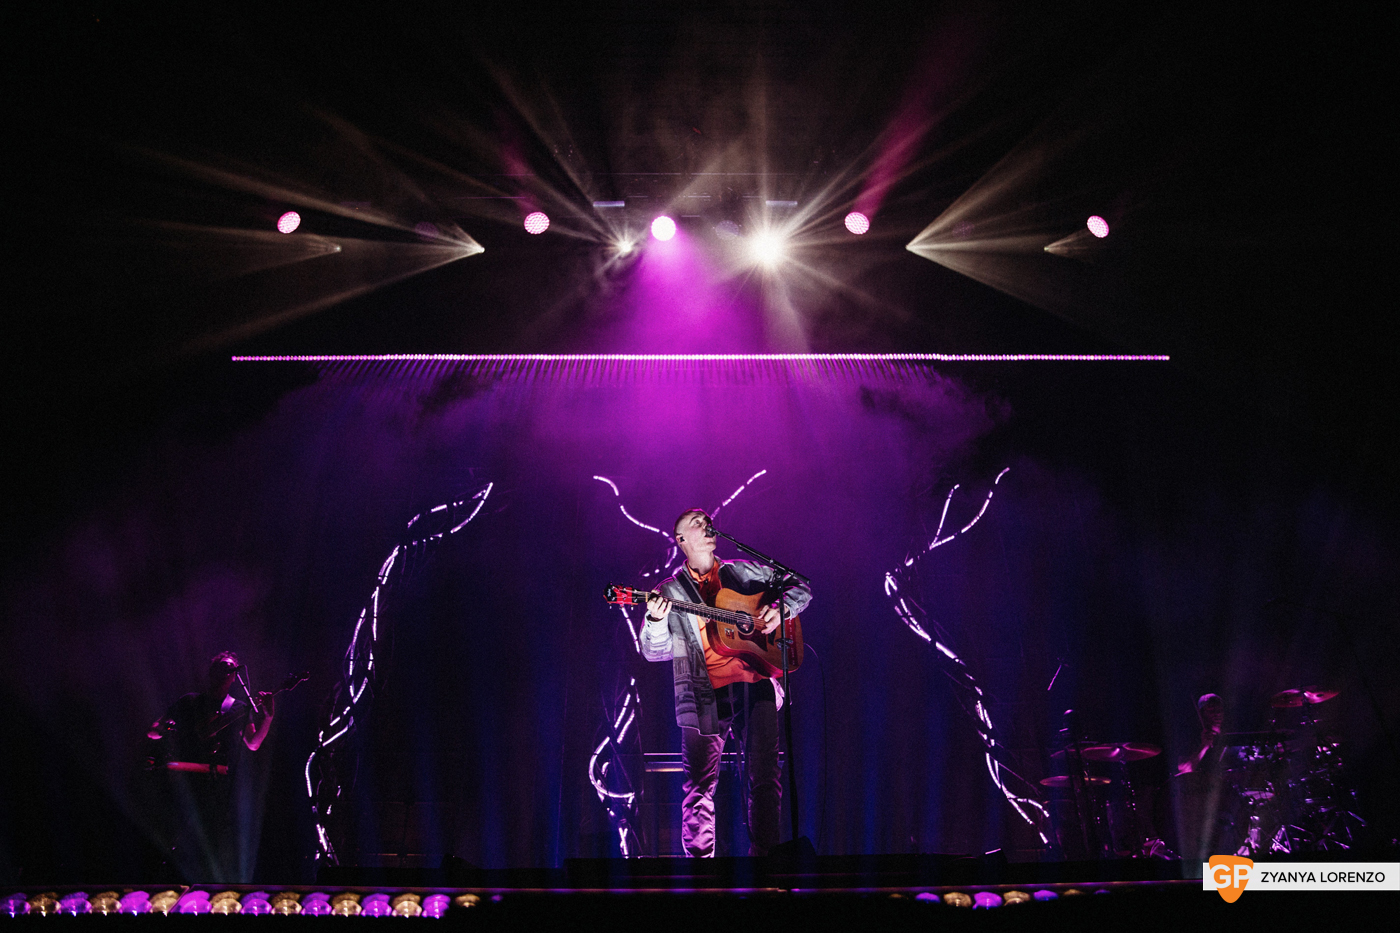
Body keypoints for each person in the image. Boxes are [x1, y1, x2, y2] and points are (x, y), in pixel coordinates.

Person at [641, 508, 812, 857]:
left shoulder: (742, 572)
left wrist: (781, 608)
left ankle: (765, 861)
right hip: (702, 694)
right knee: (699, 786)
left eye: (707, 521)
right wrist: (655, 621)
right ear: (681, 540)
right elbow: (653, 652)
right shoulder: (670, 591)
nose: (706, 526)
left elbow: (800, 586)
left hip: (756, 681)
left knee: (765, 777)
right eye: (696, 523)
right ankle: (701, 869)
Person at [145, 651, 276, 880]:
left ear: (235, 676)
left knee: (210, 841)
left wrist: (268, 717)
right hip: (184, 779)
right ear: (212, 672)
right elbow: (153, 731)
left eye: (230, 667)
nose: (226, 670)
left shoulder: (237, 707)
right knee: (175, 837)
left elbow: (253, 744)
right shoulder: (190, 701)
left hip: (216, 785)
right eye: (221, 666)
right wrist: (168, 729)